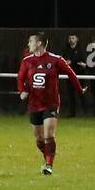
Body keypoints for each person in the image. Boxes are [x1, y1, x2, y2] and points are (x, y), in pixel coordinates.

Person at [17, 32, 86, 175]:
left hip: (51, 104)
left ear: (39, 43)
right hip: (34, 104)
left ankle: (49, 165)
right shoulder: (27, 61)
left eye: (31, 41)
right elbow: (20, 78)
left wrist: (80, 89)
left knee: (49, 135)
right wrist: (22, 91)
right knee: (39, 139)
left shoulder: (55, 60)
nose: (28, 44)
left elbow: (71, 73)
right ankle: (49, 154)